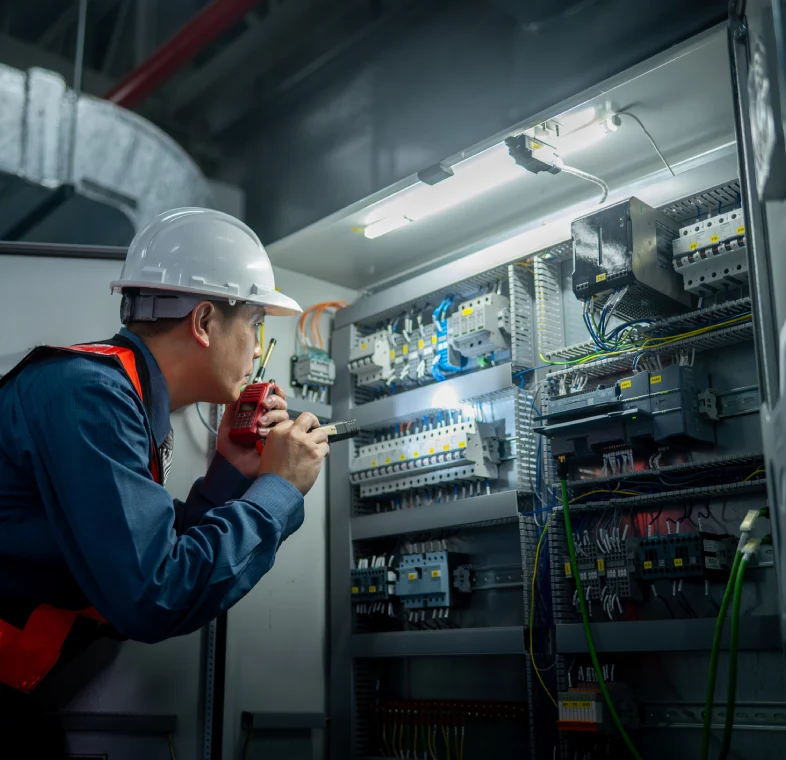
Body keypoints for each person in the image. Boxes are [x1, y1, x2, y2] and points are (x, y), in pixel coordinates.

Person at [0, 208, 330, 750]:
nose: (256, 345)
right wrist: (280, 490)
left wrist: (230, 472)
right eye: (254, 322)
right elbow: (153, 595)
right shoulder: (95, 397)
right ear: (203, 322)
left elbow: (138, 556)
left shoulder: (115, 397)